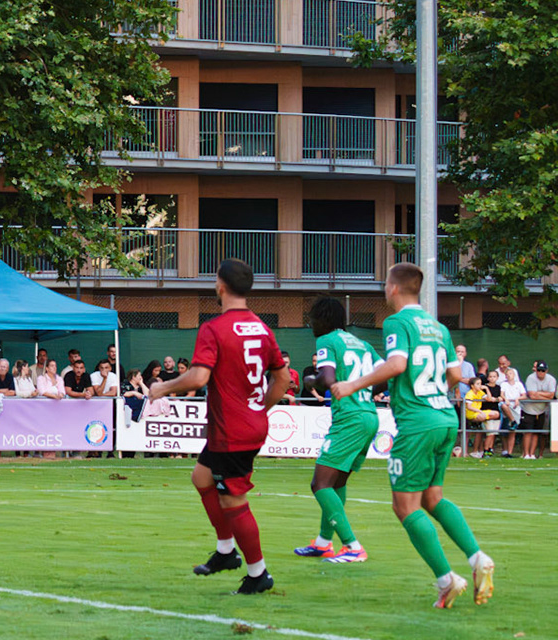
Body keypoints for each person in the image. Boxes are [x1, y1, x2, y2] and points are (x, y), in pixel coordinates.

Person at [328, 264, 495, 607]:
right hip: (445, 418)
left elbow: (398, 364)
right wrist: (431, 391)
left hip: (418, 425)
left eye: (385, 284)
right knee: (433, 498)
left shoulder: (397, 322)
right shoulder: (438, 327)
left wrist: (353, 384)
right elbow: (452, 374)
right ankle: (478, 559)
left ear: (392, 288)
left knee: (405, 506)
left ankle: (447, 580)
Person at [145, 258, 292, 594]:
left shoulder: (214, 328)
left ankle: (258, 573)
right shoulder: (261, 327)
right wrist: (259, 408)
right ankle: (226, 552)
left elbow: (198, 376)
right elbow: (282, 376)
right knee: (201, 477)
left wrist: (161, 388)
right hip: (244, 426)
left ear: (221, 285)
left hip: (232, 432)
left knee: (233, 501)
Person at [291, 297, 378, 564]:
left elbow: (327, 380)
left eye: (313, 318)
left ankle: (353, 546)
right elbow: (386, 375)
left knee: (319, 484)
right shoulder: (362, 344)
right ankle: (323, 543)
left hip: (349, 418)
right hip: (369, 416)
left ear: (324, 319)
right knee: (337, 482)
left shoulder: (327, 340)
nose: (310, 323)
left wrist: (310, 380)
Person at [522, 361, 555, 460]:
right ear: (536, 370)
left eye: (543, 371)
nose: (541, 373)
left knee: (536, 432)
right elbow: (532, 395)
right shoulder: (531, 378)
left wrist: (538, 394)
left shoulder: (551, 379)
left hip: (541, 410)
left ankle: (532, 454)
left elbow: (551, 396)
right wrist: (544, 394)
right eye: (539, 370)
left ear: (546, 371)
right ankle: (526, 454)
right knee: (528, 432)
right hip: (529, 409)